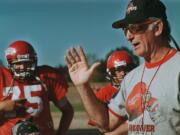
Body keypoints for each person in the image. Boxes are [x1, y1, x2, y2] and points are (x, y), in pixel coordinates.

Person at [64, 0, 180, 134]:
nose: (129, 36)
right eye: (125, 30)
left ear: (157, 28)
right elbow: (105, 124)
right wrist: (82, 85)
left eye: (135, 28)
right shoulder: (130, 78)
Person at [0, 40, 74, 135]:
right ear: (9, 64)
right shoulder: (2, 77)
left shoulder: (47, 76)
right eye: (18, 63)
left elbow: (67, 110)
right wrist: (1, 106)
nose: (23, 67)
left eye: (27, 63)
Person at [88, 50, 136, 135]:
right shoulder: (104, 93)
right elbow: (98, 122)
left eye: (126, 69)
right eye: (118, 70)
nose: (123, 73)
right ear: (111, 73)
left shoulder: (138, 89)